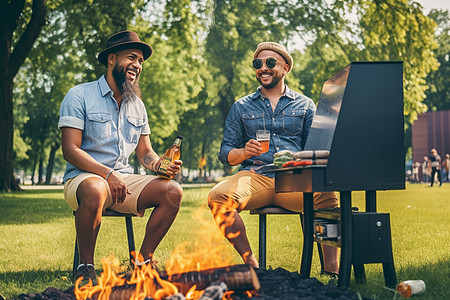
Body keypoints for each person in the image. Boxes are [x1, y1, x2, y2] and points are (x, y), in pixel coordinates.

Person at [58, 31, 183, 284]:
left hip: (122, 180)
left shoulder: (137, 104)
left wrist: (160, 165)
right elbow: (70, 150)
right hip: (83, 181)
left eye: (140, 61)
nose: (137, 65)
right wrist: (107, 174)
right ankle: (85, 267)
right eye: (132, 58)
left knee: (172, 191)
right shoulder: (79, 95)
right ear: (112, 59)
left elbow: (145, 153)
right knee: (95, 188)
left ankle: (142, 263)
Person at [207, 42, 339, 277]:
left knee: (327, 193)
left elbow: (315, 149)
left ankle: (332, 272)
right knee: (218, 198)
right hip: (256, 177)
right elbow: (225, 152)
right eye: (258, 64)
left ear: (285, 68)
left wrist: (298, 162)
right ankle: (251, 264)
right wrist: (244, 153)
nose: (263, 68)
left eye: (270, 62)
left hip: (294, 180)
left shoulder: (305, 105)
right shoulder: (241, 106)